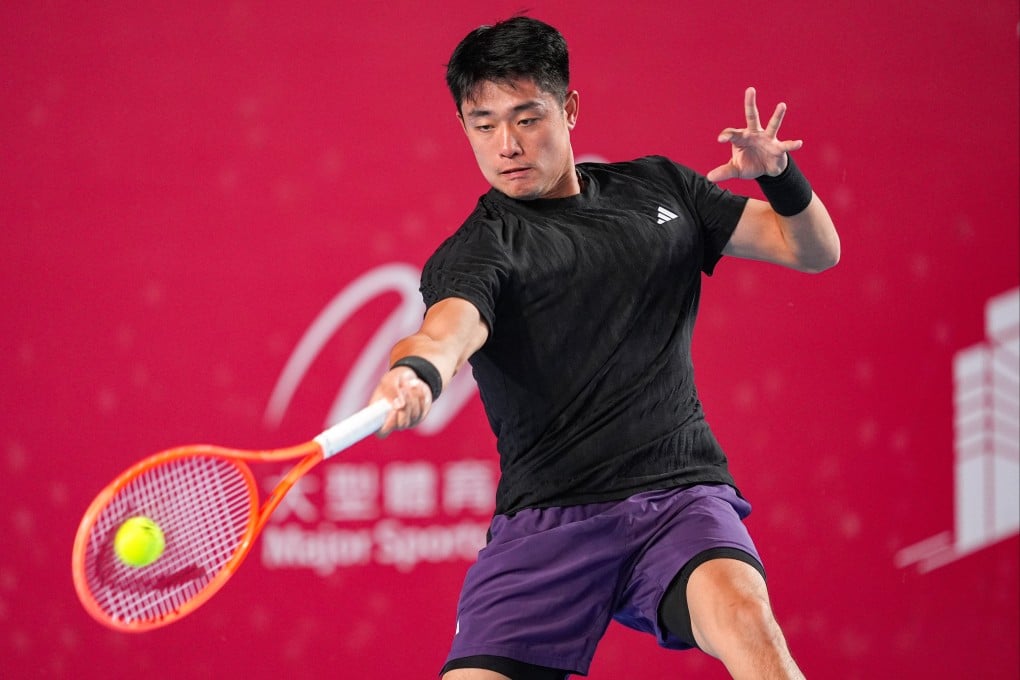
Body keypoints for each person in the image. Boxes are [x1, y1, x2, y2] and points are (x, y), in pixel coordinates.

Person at [369, 16, 839, 680]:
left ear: (570, 108)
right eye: (484, 124)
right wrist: (415, 370)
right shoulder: (479, 249)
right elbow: (449, 328)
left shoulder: (660, 192)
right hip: (546, 526)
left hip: (676, 498)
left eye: (527, 118)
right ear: (464, 127)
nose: (507, 144)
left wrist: (781, 177)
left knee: (747, 620)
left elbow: (814, 250)